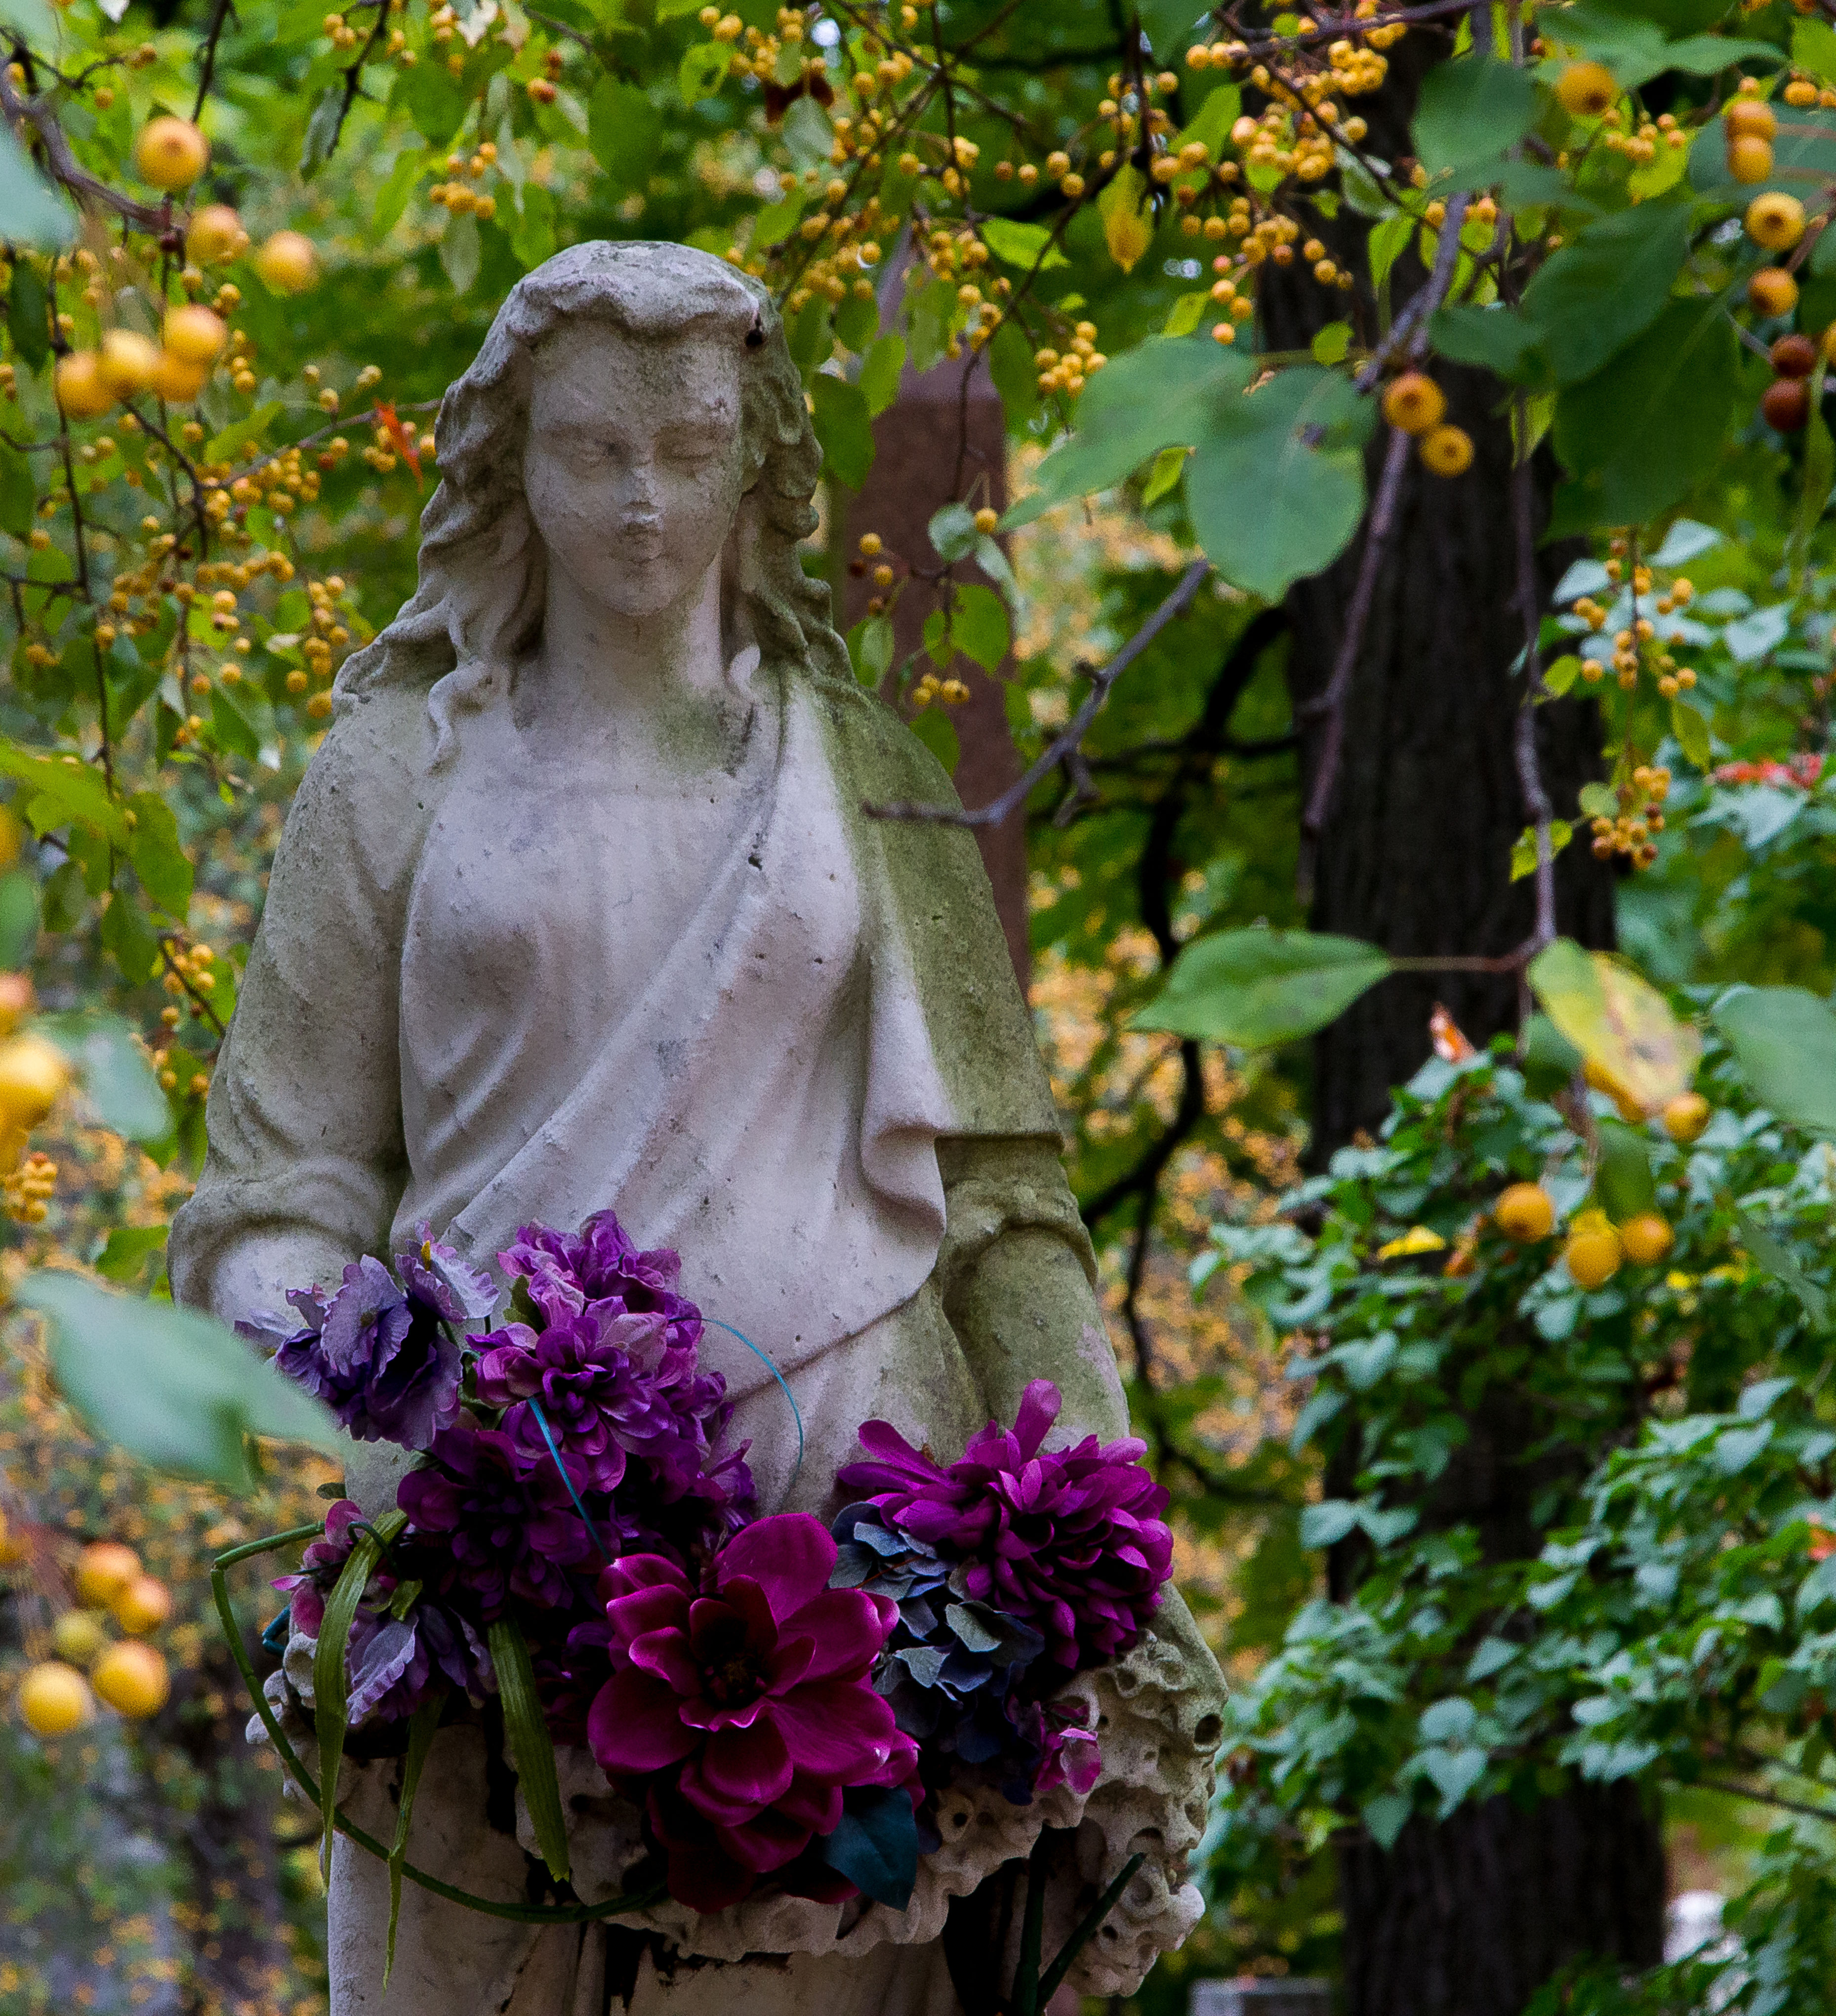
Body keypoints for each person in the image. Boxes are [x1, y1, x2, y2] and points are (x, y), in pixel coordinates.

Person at [171, 239, 1221, 2016]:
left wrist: (1091, 1535)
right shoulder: (390, 781)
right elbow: (267, 1208)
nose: (644, 499)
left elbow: (1001, 1205)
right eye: (592, 450)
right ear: (514, 464)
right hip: (500, 1596)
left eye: (690, 444)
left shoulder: (866, 773)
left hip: (872, 1595)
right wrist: (404, 1418)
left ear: (757, 461)